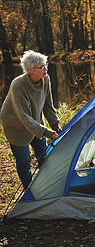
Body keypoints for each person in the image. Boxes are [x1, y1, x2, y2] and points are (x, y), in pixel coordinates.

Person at [0, 50, 60, 190]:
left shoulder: (46, 79)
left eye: (46, 65)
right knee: (24, 161)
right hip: (16, 125)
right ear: (30, 70)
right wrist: (47, 132)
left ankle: (46, 187)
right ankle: (30, 192)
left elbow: (48, 106)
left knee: (44, 157)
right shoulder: (18, 85)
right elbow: (24, 117)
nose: (45, 69)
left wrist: (56, 126)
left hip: (35, 121)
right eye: (41, 67)